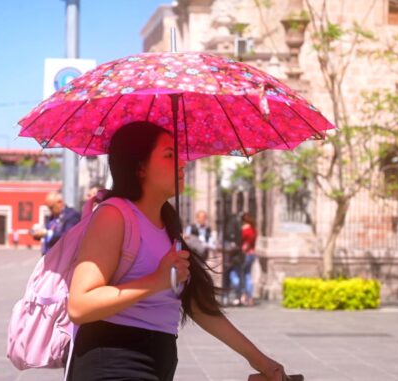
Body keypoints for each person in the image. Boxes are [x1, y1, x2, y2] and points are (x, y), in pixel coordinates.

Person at [66, 121, 286, 381]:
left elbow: (199, 307)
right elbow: (80, 305)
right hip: (112, 360)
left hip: (159, 359)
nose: (182, 164)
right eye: (169, 155)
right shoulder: (114, 215)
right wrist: (156, 281)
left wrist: (261, 361)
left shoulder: (167, 224)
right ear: (139, 167)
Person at [240, 213, 258, 306]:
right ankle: (250, 297)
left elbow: (242, 241)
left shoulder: (245, 229)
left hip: (245, 254)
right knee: (248, 275)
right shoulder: (254, 229)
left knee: (243, 275)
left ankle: (245, 296)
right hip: (252, 253)